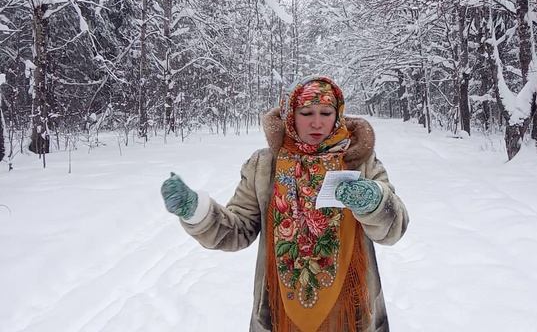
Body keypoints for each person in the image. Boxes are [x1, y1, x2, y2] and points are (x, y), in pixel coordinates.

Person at [161, 76, 409, 331]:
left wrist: (375, 202)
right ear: (290, 114)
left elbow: (394, 230)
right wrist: (196, 211)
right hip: (279, 315)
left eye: (326, 112)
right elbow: (238, 230)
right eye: (306, 112)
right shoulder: (264, 166)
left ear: (338, 115)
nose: (317, 122)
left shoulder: (361, 161)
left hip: (351, 314)